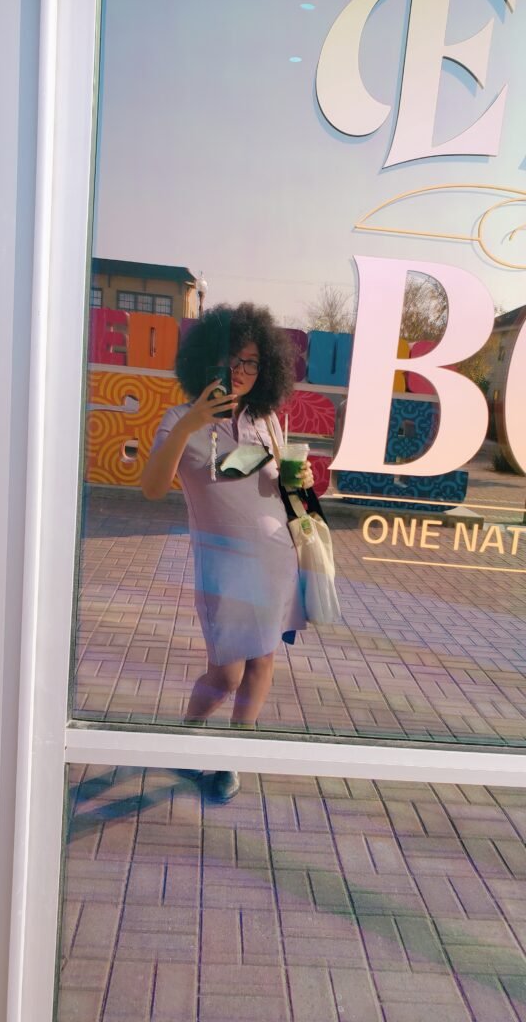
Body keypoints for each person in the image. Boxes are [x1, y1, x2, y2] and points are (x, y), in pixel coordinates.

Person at [141, 303, 313, 801]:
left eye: (251, 362)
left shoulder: (266, 421)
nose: (239, 371)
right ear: (208, 360)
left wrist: (300, 480)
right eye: (231, 359)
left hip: (276, 560)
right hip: (222, 569)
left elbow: (280, 490)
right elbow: (152, 488)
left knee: (262, 662)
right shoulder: (180, 419)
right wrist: (190, 423)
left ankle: (232, 758)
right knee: (227, 671)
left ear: (264, 370)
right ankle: (184, 739)